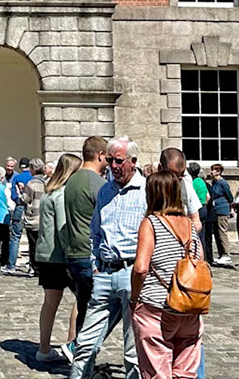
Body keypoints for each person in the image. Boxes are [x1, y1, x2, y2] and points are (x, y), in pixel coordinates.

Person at [69, 137, 145, 379]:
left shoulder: (146, 192)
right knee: (85, 344)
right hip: (104, 273)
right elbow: (95, 231)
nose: (113, 166)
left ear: (133, 162)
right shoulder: (105, 191)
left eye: (119, 161)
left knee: (132, 351)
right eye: (110, 160)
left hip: (131, 273)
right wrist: (95, 264)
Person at [129, 171, 205, 379]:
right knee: (185, 372)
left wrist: (134, 298)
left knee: (157, 371)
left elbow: (141, 268)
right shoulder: (190, 225)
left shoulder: (151, 223)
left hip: (157, 305)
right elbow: (200, 262)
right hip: (190, 306)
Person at [33, 154, 79, 365]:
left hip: (46, 254)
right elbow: (63, 227)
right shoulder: (61, 195)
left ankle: (44, 348)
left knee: (50, 303)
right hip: (60, 256)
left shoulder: (48, 192)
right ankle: (72, 343)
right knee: (82, 297)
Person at [63, 138, 105, 340]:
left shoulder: (71, 180)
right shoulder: (97, 182)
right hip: (88, 252)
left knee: (83, 305)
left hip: (72, 252)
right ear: (101, 156)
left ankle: (78, 353)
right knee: (95, 313)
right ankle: (81, 356)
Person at [203, 165, 235, 265]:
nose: (211, 172)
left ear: (219, 171)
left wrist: (230, 208)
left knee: (222, 232)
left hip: (222, 209)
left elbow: (229, 196)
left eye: (214, 170)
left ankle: (226, 254)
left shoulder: (223, 183)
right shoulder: (214, 182)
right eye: (212, 170)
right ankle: (221, 254)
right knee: (216, 233)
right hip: (215, 210)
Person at [7, 160, 32, 275]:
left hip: (20, 207)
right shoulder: (34, 178)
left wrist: (19, 200)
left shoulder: (17, 178)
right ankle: (32, 267)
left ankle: (11, 265)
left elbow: (13, 196)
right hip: (33, 209)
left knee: (15, 237)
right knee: (32, 239)